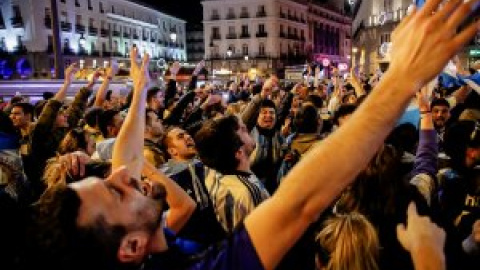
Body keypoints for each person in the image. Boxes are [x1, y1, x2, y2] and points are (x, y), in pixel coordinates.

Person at [25, 1, 478, 269]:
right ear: (131, 246)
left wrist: (141, 94)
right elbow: (297, 203)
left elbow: (127, 158)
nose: (123, 174)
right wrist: (400, 80)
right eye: (115, 191)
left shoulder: (142, 253)